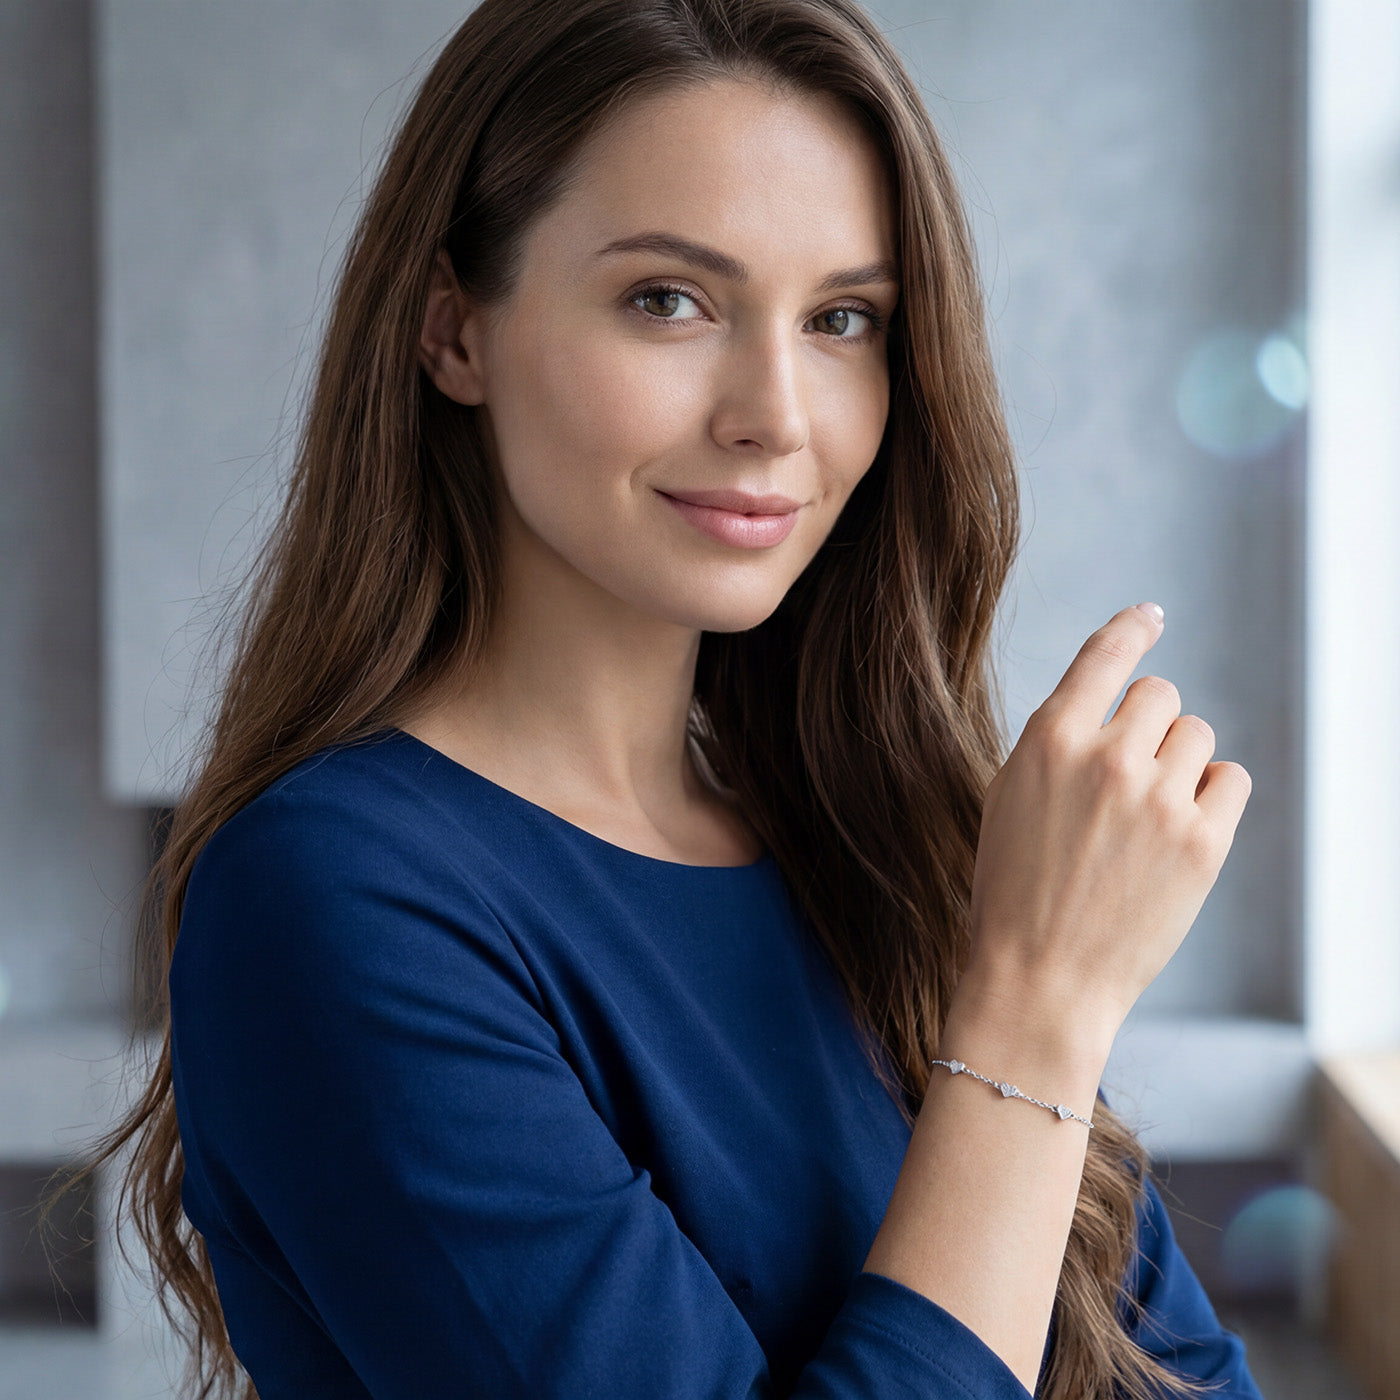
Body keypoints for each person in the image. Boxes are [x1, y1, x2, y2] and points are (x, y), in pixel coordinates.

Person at [90, 1, 1261, 1396]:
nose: (777, 413)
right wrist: (1035, 1016)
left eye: (842, 319)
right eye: (669, 300)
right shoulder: (331, 900)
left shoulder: (887, 845)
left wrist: (1027, 1000)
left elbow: (1179, 1375)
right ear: (453, 330)